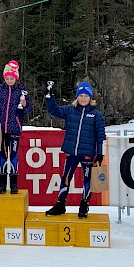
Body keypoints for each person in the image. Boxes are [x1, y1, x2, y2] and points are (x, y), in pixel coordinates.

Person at [44, 81, 106, 218]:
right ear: (77, 97)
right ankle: (61, 203)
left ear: (90, 98)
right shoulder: (69, 110)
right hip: (71, 152)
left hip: (88, 154)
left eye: (86, 96)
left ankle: (84, 204)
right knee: (65, 177)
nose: (83, 98)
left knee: (87, 179)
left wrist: (100, 153)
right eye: (81, 95)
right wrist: (49, 97)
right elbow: (54, 110)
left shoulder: (97, 115)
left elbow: (101, 136)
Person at [0, 60, 32, 194]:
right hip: (2, 129)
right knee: (2, 155)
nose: (9, 80)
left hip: (15, 128)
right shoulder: (0, 89)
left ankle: (13, 184)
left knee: (13, 155)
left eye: (11, 78)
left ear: (16, 77)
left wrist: (24, 105)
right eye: (7, 78)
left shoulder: (22, 90)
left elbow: (28, 109)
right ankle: (2, 184)